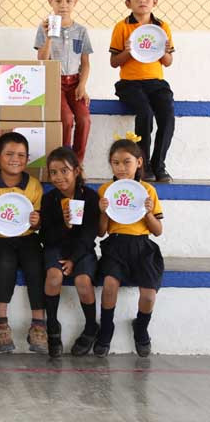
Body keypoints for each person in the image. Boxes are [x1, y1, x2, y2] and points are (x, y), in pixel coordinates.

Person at [0, 132, 46, 354]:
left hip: (26, 238)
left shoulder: (33, 185)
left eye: (21, 155)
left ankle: (38, 323)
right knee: (4, 264)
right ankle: (0, 322)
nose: (15, 159)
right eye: (9, 154)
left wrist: (36, 221)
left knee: (36, 265)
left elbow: (37, 221)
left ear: (27, 158)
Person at [95, 136, 164, 358]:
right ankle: (106, 329)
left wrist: (148, 213)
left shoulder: (148, 191)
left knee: (149, 295)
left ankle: (141, 326)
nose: (122, 168)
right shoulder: (106, 190)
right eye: (116, 163)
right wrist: (103, 212)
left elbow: (157, 230)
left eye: (127, 162)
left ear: (139, 163)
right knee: (109, 285)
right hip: (115, 246)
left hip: (142, 247)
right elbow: (101, 232)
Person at [110, 0, 176, 182]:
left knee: (167, 115)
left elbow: (168, 61)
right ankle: (144, 165)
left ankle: (159, 164)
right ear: (128, 3)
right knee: (145, 113)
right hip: (129, 83)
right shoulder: (122, 27)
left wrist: (163, 52)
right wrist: (128, 52)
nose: (142, 0)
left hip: (156, 82)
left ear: (154, 1)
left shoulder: (161, 27)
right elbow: (114, 62)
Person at [41, 147, 100, 358]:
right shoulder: (49, 200)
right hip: (55, 247)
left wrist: (74, 260)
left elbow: (89, 235)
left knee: (83, 281)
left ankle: (92, 327)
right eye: (53, 172)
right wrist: (65, 224)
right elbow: (45, 237)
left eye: (64, 170)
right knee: (54, 276)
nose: (58, 177)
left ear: (76, 171)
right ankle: (53, 327)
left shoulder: (90, 197)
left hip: (81, 249)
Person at [35, 0, 92, 162]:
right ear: (50, 2)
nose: (63, 5)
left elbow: (85, 63)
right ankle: (63, 161)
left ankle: (77, 162)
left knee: (84, 120)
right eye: (58, 1)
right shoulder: (43, 28)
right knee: (66, 120)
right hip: (54, 82)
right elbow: (42, 60)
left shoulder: (81, 31)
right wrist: (49, 37)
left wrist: (82, 85)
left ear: (75, 2)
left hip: (75, 82)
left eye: (68, 1)